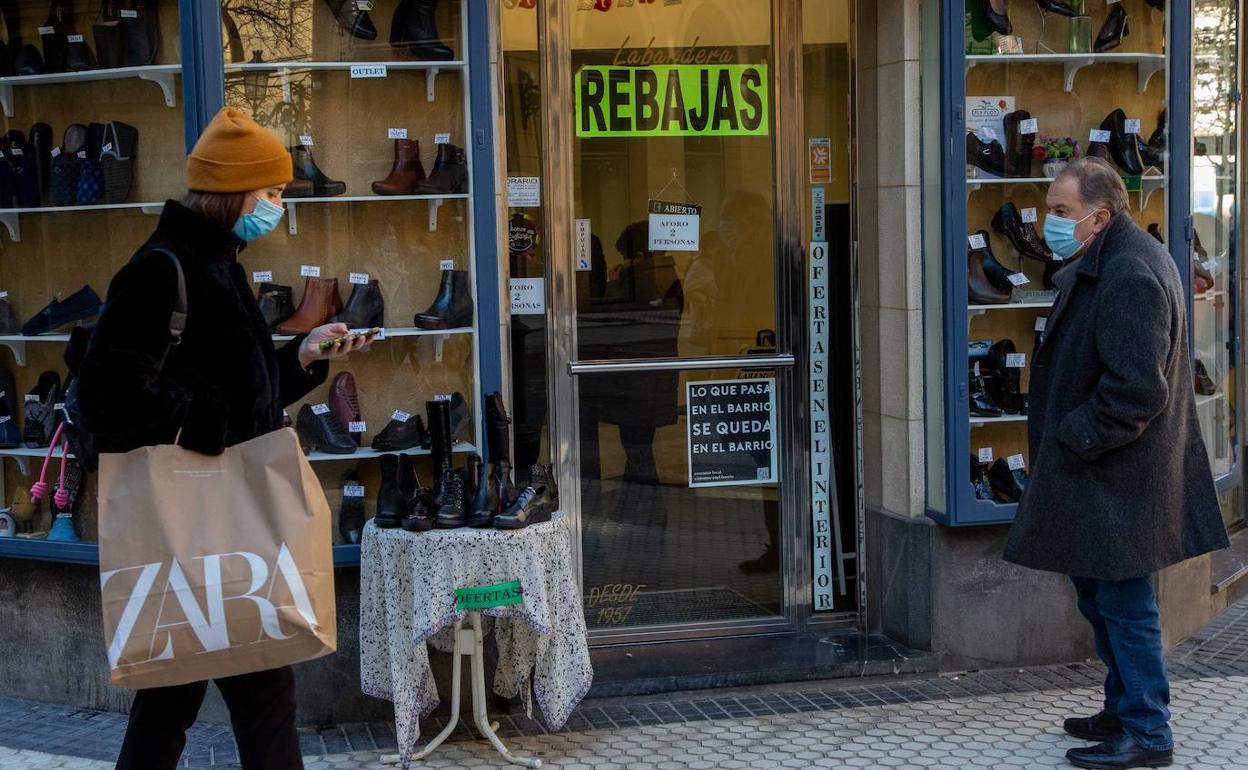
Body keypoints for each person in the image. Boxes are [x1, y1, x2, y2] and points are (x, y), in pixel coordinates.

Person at [77, 107, 373, 770]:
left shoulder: (221, 264)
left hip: (230, 541)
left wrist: (302, 356)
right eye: (269, 194)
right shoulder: (162, 270)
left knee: (239, 707)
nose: (276, 207)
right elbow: (104, 396)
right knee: (187, 711)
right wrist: (201, 425)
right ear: (230, 192)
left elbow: (244, 395)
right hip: (195, 538)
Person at [1004, 157, 1229, 770]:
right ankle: (1122, 707)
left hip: (1116, 477)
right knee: (1100, 598)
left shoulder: (1130, 273)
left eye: (1060, 212)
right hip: (1103, 474)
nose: (1048, 221)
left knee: (1126, 607)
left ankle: (1149, 734)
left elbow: (1136, 391)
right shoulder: (1112, 258)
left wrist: (1072, 437)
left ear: (1099, 217)